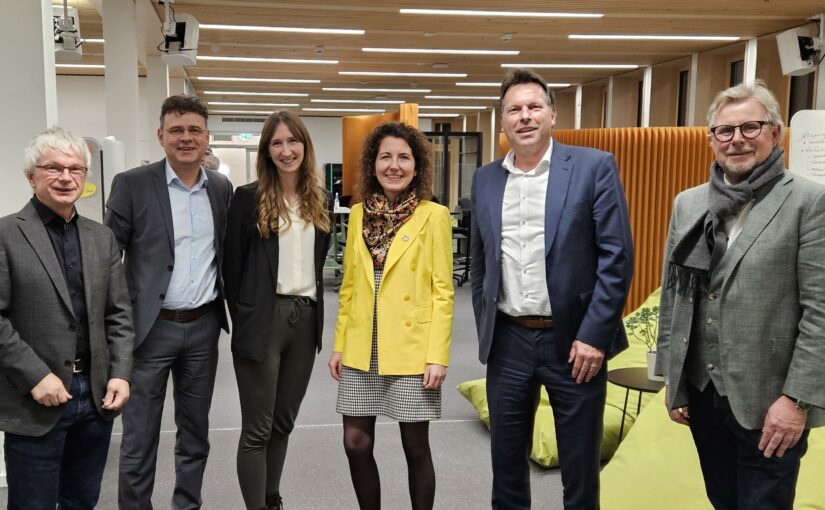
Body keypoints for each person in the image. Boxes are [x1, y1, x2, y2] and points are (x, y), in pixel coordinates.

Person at [656, 80, 825, 509]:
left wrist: (796, 400)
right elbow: (674, 298)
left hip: (771, 402)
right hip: (705, 395)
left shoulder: (809, 202)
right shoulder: (690, 205)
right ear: (712, 139)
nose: (737, 141)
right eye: (725, 131)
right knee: (723, 500)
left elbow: (820, 314)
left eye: (750, 127)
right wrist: (673, 381)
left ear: (775, 132)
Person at [470, 68, 634, 509]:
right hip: (508, 341)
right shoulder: (485, 179)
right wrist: (487, 323)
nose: (524, 117)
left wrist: (594, 337)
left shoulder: (592, 167)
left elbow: (616, 258)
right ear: (502, 121)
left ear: (552, 115)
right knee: (505, 465)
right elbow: (481, 263)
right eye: (514, 110)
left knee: (579, 470)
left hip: (575, 345)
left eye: (534, 107)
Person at [104, 95, 233, 510]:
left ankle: (187, 505)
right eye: (176, 130)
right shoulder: (132, 184)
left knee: (195, 433)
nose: (186, 137)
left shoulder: (221, 188)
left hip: (203, 328)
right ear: (161, 136)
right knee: (139, 438)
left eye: (195, 129)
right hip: (149, 331)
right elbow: (109, 260)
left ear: (207, 137)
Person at [0, 126, 134, 510]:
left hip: (94, 399)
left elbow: (119, 313)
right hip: (37, 399)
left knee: (81, 501)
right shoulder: (7, 235)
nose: (66, 177)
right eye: (53, 168)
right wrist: (35, 376)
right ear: (31, 177)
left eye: (75, 169)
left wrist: (122, 373)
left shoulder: (100, 237)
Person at [328, 122, 454, 510]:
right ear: (373, 164)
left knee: (414, 446)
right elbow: (349, 286)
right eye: (386, 157)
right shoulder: (359, 214)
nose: (394, 165)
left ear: (417, 166)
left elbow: (443, 292)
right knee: (355, 443)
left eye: (404, 157)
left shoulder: (434, 215)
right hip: (362, 343)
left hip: (412, 347)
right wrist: (338, 345)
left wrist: (437, 355)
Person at [223, 110, 332, 510]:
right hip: (263, 319)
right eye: (277, 143)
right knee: (258, 428)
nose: (286, 151)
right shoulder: (248, 198)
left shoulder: (319, 199)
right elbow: (231, 269)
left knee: (283, 423)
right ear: (267, 151)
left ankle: (271, 500)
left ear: (305, 145)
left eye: (293, 141)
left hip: (305, 321)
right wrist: (250, 318)